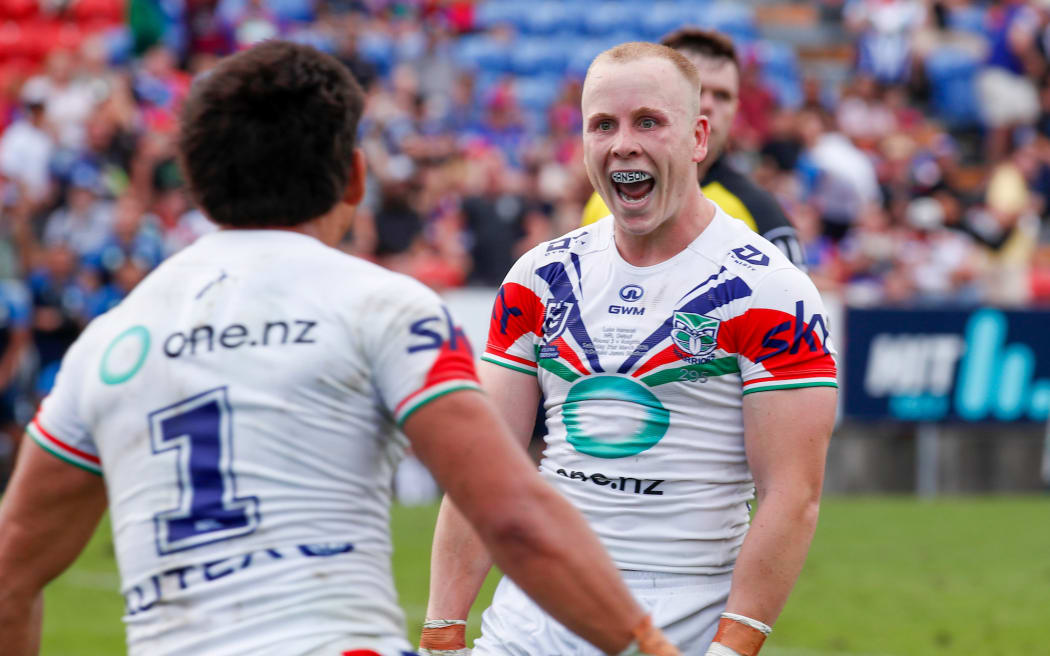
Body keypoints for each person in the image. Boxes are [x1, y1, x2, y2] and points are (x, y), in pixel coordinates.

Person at [0, 41, 680, 656]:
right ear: (355, 178)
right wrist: (650, 646)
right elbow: (514, 517)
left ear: (198, 181)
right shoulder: (382, 306)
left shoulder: (110, 341)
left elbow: (9, 574)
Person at [421, 42, 838, 656]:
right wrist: (441, 630)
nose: (623, 144)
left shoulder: (771, 289)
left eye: (648, 122)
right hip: (534, 611)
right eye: (603, 125)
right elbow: (486, 466)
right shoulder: (538, 276)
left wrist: (733, 645)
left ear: (698, 138)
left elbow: (792, 495)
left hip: (683, 613)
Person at [581, 28, 806, 269]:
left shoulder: (762, 214)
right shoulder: (604, 202)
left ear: (735, 110)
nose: (707, 104)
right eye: (697, 89)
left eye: (722, 96)